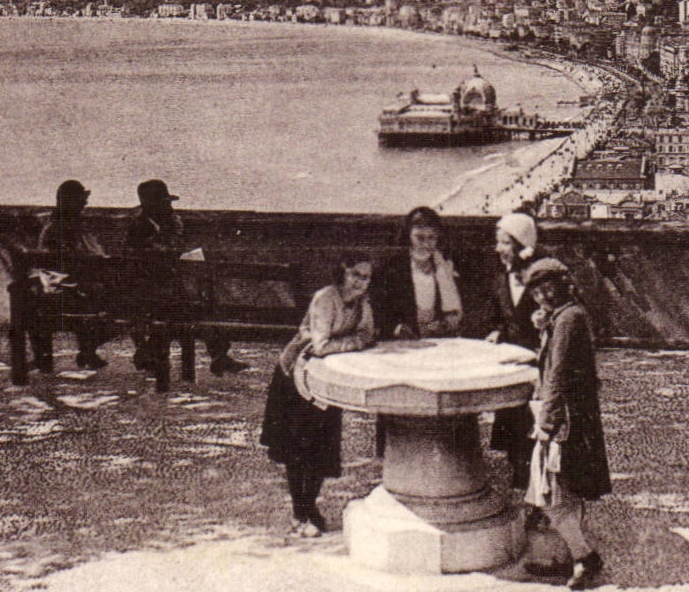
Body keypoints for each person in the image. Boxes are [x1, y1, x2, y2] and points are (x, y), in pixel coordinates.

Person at [260, 251, 377, 538]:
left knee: (320, 448)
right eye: (355, 275)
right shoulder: (325, 299)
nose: (361, 282)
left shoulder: (362, 304)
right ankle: (300, 511)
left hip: (328, 379)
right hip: (297, 377)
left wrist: (356, 341)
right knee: (296, 447)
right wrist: (354, 342)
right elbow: (321, 344)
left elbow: (368, 334)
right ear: (342, 273)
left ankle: (310, 506)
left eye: (366, 277)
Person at [521, 257, 611, 590]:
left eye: (549, 287)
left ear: (564, 285)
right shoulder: (566, 316)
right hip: (570, 417)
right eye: (536, 289)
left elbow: (557, 374)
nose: (542, 295)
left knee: (553, 493)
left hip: (564, 421)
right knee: (560, 491)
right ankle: (570, 555)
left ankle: (584, 557)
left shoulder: (569, 319)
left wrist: (545, 423)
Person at [123, 178, 246, 375]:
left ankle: (149, 351)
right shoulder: (141, 228)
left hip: (159, 294)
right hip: (151, 295)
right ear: (153, 205)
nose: (170, 207)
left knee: (193, 307)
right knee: (197, 309)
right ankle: (216, 356)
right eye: (165, 203)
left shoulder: (155, 223)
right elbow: (155, 258)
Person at [485, 210, 543, 490]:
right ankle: (518, 480)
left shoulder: (542, 278)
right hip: (512, 360)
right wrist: (497, 331)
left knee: (534, 424)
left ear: (522, 245)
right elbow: (500, 316)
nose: (499, 249)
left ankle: (535, 488)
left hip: (537, 362)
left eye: (505, 243)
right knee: (512, 422)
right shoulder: (500, 279)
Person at [35, 179, 108, 370]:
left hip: (67, 284)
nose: (85, 204)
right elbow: (71, 263)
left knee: (107, 294)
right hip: (61, 287)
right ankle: (88, 350)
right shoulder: (61, 227)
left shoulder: (65, 224)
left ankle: (88, 350)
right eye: (81, 200)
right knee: (118, 301)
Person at [372, 206, 463, 341]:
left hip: (437, 341)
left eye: (431, 238)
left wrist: (443, 325)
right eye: (420, 238)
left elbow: (454, 314)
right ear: (408, 237)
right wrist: (397, 328)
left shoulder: (444, 268)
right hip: (403, 343)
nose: (426, 244)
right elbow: (377, 309)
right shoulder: (391, 268)